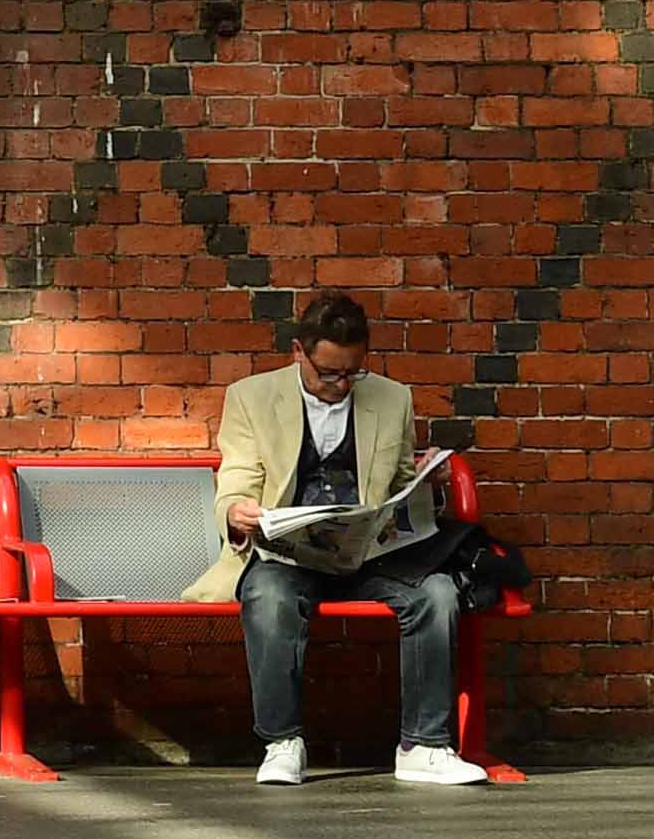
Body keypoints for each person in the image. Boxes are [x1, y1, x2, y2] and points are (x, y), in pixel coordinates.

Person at [203, 289, 488, 789]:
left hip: (370, 558)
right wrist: (236, 512)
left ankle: (424, 746)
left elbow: (399, 487)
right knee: (268, 598)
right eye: (328, 373)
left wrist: (427, 483)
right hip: (289, 558)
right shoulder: (251, 397)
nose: (340, 385)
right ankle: (282, 743)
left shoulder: (392, 398)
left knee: (438, 594)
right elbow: (237, 479)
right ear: (299, 353)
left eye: (352, 373)